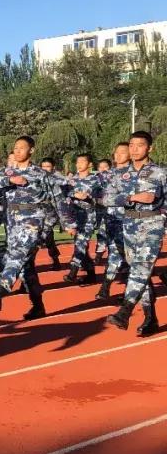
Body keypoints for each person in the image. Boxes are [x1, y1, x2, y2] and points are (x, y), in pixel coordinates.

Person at [0, 136, 59, 319]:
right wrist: (10, 181)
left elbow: (57, 199)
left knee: (16, 258)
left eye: (22, 148)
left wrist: (67, 223)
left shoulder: (40, 174)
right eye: (15, 148)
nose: (17, 151)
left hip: (33, 221)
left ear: (31, 150)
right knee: (26, 267)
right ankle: (38, 306)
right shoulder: (6, 173)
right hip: (13, 223)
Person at [102, 131, 166, 336]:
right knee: (141, 274)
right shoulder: (119, 174)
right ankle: (150, 318)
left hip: (153, 222)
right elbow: (106, 199)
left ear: (150, 148)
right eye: (131, 145)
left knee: (141, 267)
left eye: (140, 145)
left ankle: (125, 310)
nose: (134, 149)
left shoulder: (160, 172)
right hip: (129, 223)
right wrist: (132, 197)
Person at [96, 142, 132, 302]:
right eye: (115, 152)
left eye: (122, 152)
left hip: (131, 222)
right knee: (114, 254)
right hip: (112, 222)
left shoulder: (135, 174)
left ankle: (124, 291)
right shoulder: (106, 175)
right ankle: (106, 287)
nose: (117, 155)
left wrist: (111, 199)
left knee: (131, 258)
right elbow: (95, 192)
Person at [61, 153, 101, 286]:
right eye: (77, 162)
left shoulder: (96, 179)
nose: (79, 164)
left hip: (88, 216)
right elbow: (63, 194)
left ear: (90, 164)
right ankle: (91, 275)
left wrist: (89, 196)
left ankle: (73, 272)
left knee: (81, 243)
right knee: (81, 244)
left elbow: (102, 196)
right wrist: (73, 194)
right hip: (74, 216)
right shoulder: (71, 180)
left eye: (82, 161)